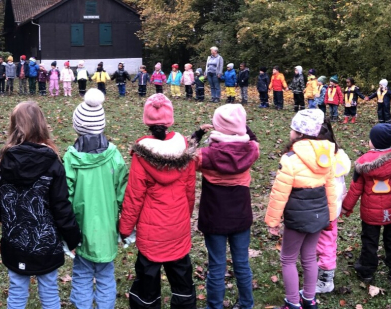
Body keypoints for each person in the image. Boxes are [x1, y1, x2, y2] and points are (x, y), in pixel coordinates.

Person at [0, 102, 82, 309]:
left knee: (18, 291)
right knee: (48, 292)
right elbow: (61, 206)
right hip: (43, 242)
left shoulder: (0, 162)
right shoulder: (51, 162)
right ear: (41, 126)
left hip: (18, 241)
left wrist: (10, 218)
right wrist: (72, 236)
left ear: (14, 126)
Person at [120, 94, 198, 309]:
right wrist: (185, 215)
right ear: (170, 120)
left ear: (147, 122)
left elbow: (134, 195)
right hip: (177, 227)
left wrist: (125, 228)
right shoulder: (186, 149)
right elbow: (190, 190)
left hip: (150, 233)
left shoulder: (141, 154)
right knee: (182, 279)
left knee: (147, 283)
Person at [265, 109, 336, 309]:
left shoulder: (290, 159)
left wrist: (273, 221)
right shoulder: (326, 156)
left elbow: (279, 194)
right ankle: (309, 299)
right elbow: (330, 189)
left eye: (292, 128)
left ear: (299, 132)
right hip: (318, 215)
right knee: (309, 256)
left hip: (297, 218)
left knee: (288, 259)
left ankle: (293, 302)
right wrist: (329, 216)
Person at [191, 104, 259, 309]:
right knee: (242, 264)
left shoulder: (204, 156)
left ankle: (214, 306)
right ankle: (247, 304)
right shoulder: (251, 151)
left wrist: (199, 133)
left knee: (217, 266)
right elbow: (253, 140)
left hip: (214, 218)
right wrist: (241, 128)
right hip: (240, 217)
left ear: (216, 127)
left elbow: (187, 153)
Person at [64, 89, 127, 309]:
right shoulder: (115, 156)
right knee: (105, 273)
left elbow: (65, 196)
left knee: (81, 273)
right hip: (108, 228)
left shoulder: (70, 158)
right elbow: (123, 193)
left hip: (80, 228)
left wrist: (65, 228)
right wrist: (126, 225)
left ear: (77, 126)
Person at [342, 123, 391, 284]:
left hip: (370, 214)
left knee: (369, 240)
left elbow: (355, 188)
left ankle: (367, 271)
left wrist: (346, 207)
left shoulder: (362, 162)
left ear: (373, 142)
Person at [314, 122, 351, 295]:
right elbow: (342, 185)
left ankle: (325, 280)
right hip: (333, 209)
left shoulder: (319, 161)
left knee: (325, 243)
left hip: (320, 209)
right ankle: (319, 271)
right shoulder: (339, 156)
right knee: (327, 241)